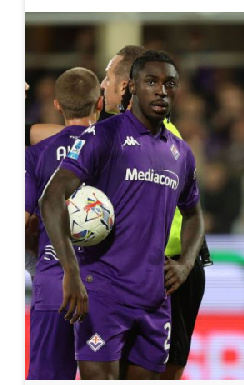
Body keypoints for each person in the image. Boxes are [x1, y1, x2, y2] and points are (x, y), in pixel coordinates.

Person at [39, 50, 205, 380]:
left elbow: (195, 216)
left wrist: (186, 264)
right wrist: (70, 271)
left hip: (156, 300)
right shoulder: (104, 136)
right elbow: (52, 198)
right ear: (132, 87)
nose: (161, 91)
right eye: (151, 82)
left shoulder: (181, 153)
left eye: (169, 84)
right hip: (102, 295)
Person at [101, 45, 212, 380]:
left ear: (125, 86)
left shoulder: (163, 142)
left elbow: (194, 214)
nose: (102, 85)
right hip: (138, 272)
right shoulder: (117, 133)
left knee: (165, 370)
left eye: (106, 77)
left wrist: (185, 264)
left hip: (171, 271)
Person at [25, 67, 103, 379]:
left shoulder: (37, 155)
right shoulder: (121, 152)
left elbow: (22, 224)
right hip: (105, 294)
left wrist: (40, 260)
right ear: (99, 103)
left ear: (57, 105)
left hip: (54, 290)